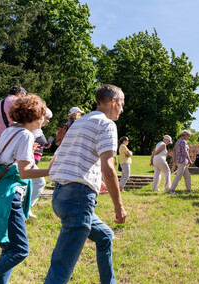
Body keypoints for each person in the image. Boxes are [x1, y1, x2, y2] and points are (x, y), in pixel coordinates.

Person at [44, 84, 127, 283]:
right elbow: (109, 168)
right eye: (122, 104)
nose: (122, 110)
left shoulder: (78, 123)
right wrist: (119, 207)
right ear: (113, 101)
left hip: (60, 196)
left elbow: (55, 160)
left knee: (105, 236)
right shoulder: (107, 124)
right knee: (61, 268)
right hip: (79, 199)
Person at [0, 94, 49, 283]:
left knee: (9, 250)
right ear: (34, 115)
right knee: (20, 250)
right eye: (43, 115)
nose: (44, 120)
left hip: (1, 194)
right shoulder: (26, 135)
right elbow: (25, 172)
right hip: (10, 197)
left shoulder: (10, 130)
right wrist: (50, 171)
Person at [29, 108, 53, 218]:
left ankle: (25, 208)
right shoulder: (32, 129)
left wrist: (45, 144)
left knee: (30, 184)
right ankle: (27, 208)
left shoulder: (38, 130)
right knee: (40, 182)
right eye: (47, 118)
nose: (48, 121)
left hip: (33, 161)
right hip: (29, 161)